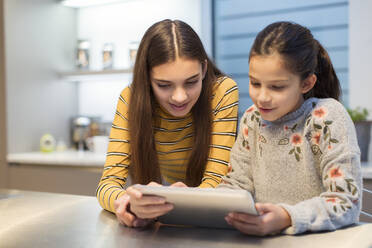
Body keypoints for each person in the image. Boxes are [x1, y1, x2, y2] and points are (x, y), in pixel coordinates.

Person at [219, 21, 362, 236]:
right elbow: (236, 184)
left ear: (306, 83)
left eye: (277, 87)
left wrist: (287, 216)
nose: (262, 97)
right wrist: (194, 202)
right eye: (255, 83)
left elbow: (345, 201)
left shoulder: (327, 118)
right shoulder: (251, 119)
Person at [96, 19, 239, 228]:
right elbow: (107, 185)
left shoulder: (222, 92)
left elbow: (216, 181)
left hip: (216, 217)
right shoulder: (131, 99)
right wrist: (128, 201)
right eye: (164, 85)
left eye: (191, 82)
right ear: (147, 78)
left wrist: (182, 199)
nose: (180, 97)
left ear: (204, 69)